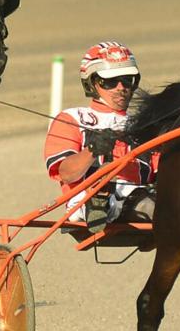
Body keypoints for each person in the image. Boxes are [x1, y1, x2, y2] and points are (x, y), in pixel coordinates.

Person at [43, 41, 154, 227]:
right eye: (110, 81)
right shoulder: (72, 118)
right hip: (85, 198)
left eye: (127, 80)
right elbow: (67, 173)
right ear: (92, 83)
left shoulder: (145, 123)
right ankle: (99, 205)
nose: (120, 87)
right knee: (102, 192)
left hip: (138, 199)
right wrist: (93, 150)